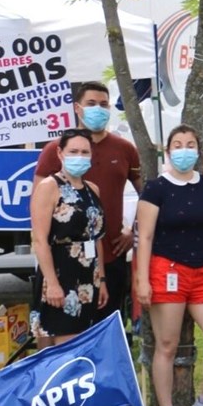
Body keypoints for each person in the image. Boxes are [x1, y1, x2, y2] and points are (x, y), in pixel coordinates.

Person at [134, 125, 203, 406]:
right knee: (167, 345)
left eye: (190, 144)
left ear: (199, 150)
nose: (184, 150)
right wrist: (142, 279)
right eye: (177, 145)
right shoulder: (155, 188)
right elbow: (146, 237)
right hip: (167, 271)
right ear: (168, 152)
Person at [35, 81, 141, 322]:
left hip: (111, 255)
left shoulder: (125, 149)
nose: (98, 109)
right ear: (77, 108)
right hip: (63, 260)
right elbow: (37, 207)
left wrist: (132, 230)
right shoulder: (55, 149)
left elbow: (147, 196)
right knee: (65, 333)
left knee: (107, 328)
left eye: (104, 104)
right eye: (91, 104)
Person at [28, 129, 107, 347]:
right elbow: (40, 240)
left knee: (82, 341)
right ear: (61, 153)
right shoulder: (49, 187)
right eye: (74, 151)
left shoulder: (93, 190)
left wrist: (101, 279)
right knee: (62, 344)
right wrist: (52, 283)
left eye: (84, 152)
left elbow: (97, 237)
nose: (79, 156)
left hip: (88, 274)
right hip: (59, 271)